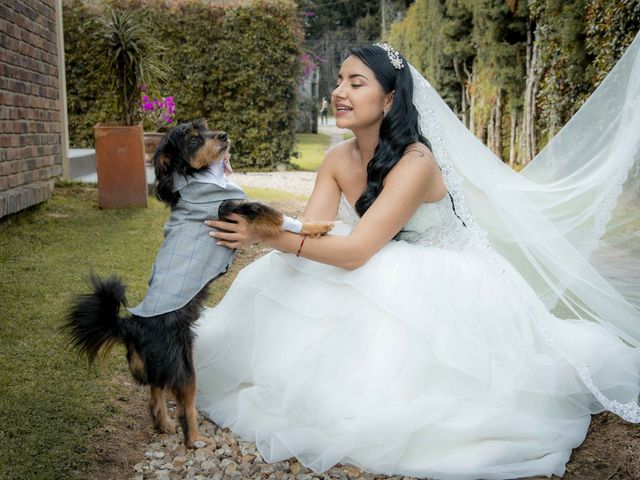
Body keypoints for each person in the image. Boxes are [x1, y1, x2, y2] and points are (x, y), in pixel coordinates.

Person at [195, 41, 640, 480]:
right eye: (338, 82)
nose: (339, 92)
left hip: (446, 280)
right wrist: (260, 220)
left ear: (389, 99)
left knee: (371, 284)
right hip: (379, 265)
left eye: (356, 83)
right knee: (292, 269)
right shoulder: (336, 158)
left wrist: (268, 236)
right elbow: (313, 232)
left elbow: (354, 252)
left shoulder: (417, 160)